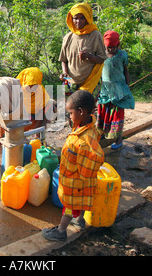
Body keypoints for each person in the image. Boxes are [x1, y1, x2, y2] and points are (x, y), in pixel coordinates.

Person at [42, 90, 105, 241]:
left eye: (70, 113)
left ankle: (61, 231)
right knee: (80, 202)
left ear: (81, 111)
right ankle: (80, 221)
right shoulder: (87, 124)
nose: (69, 117)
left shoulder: (85, 140)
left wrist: (80, 176)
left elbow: (90, 161)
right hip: (77, 180)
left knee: (69, 206)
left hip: (75, 181)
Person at [96, 30, 135, 149]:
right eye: (108, 48)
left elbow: (125, 70)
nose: (110, 50)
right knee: (103, 110)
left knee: (117, 113)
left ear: (117, 45)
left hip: (119, 88)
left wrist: (127, 86)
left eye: (113, 47)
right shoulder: (101, 55)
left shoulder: (122, 55)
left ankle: (118, 139)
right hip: (105, 88)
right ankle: (103, 134)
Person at [59, 3, 107, 97]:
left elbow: (102, 58)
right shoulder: (68, 37)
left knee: (86, 110)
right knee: (67, 108)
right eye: (75, 18)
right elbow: (64, 60)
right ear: (71, 19)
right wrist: (65, 73)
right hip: (71, 82)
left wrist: (89, 56)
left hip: (90, 82)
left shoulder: (95, 35)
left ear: (87, 18)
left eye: (82, 18)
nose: (78, 21)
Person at [15, 67, 56, 133]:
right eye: (29, 85)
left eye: (35, 85)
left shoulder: (40, 90)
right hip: (20, 121)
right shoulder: (16, 91)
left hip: (35, 119)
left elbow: (42, 109)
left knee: (50, 105)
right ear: (24, 82)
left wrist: (37, 127)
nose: (32, 88)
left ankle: (39, 131)